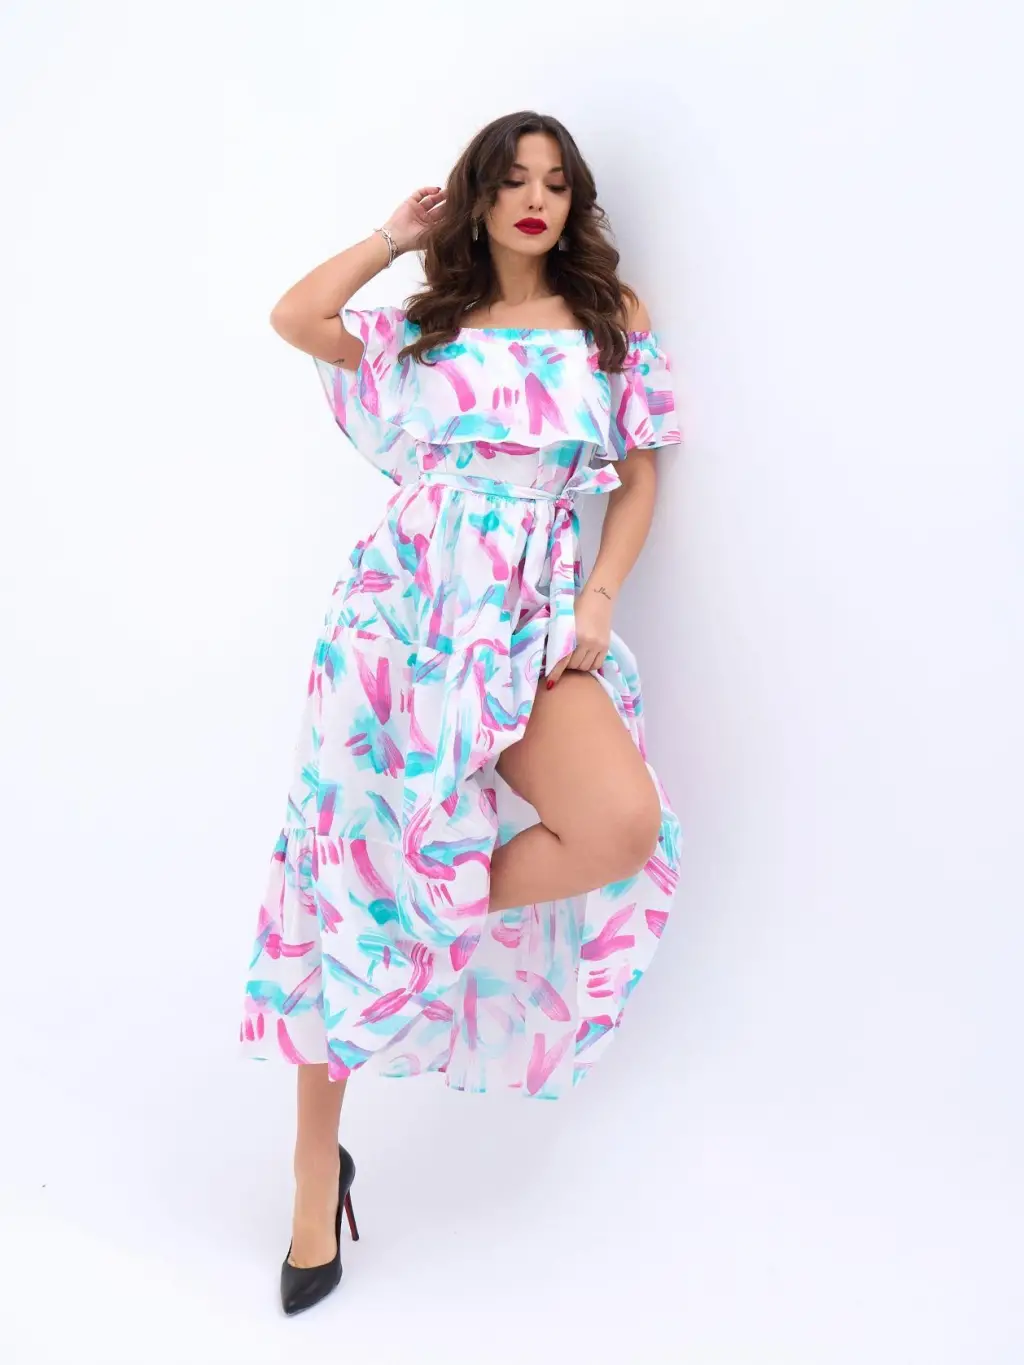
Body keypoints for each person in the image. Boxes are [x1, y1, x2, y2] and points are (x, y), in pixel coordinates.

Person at [240, 109, 684, 1315]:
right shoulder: (426, 328)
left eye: (556, 182)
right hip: (399, 620)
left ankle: (414, 905)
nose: (535, 199)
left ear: (573, 202)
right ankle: (313, 1175)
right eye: (512, 180)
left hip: (532, 613)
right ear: (478, 198)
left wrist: (598, 597)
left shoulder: (608, 319)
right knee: (342, 869)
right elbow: (296, 318)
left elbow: (640, 468)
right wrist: (391, 236)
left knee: (618, 825)